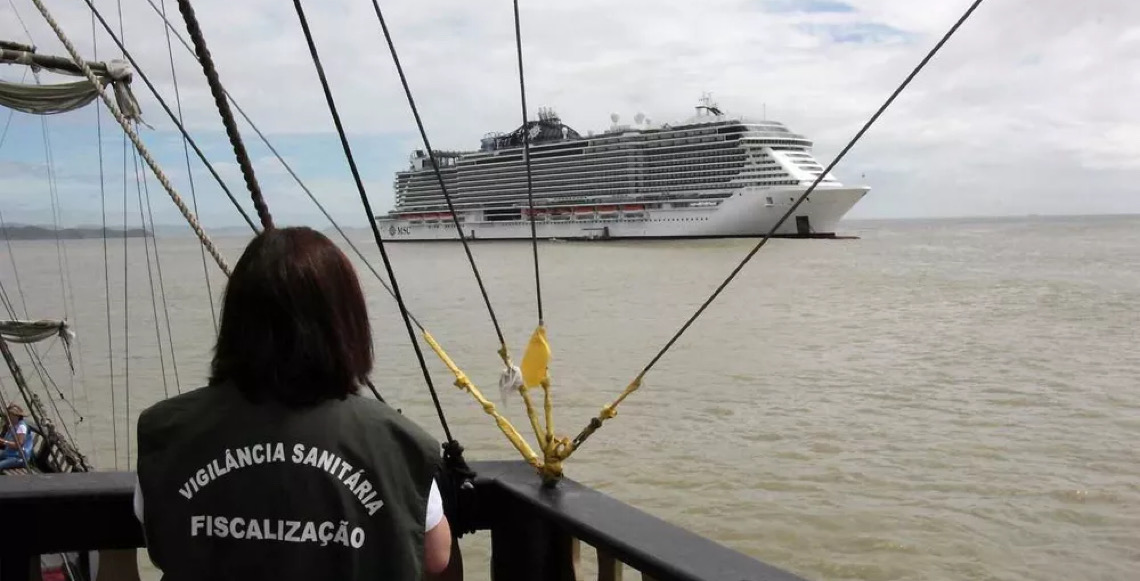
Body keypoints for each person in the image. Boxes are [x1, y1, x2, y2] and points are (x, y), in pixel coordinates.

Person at [134, 227, 452, 580]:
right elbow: (435, 555)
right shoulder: (398, 443)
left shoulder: (166, 432)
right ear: (346, 324)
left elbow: (158, 540)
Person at [0, 402, 35, 471]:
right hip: (8, 453)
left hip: (18, 457)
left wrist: (4, 442)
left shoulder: (21, 427)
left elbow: (18, 445)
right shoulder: (13, 425)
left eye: (10, 415)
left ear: (16, 416)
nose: (8, 417)